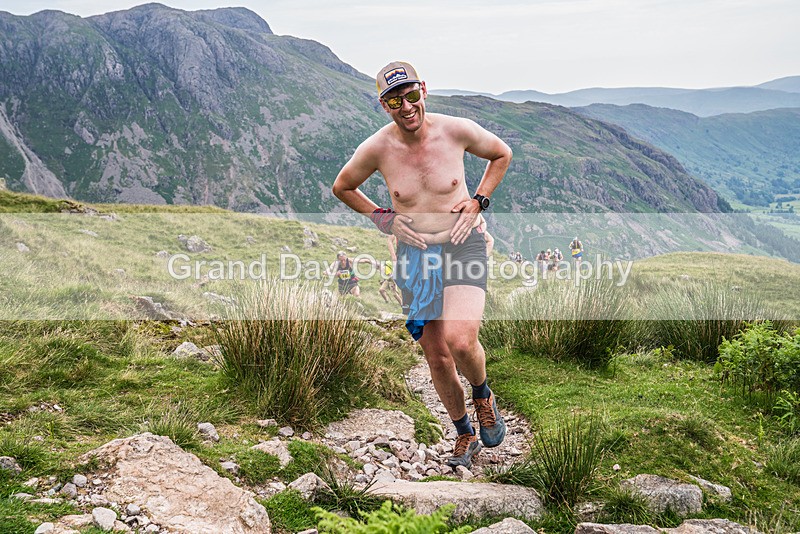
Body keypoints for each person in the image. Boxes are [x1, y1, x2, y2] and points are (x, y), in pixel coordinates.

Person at [332, 61, 511, 468]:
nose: (406, 106)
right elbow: (343, 186)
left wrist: (478, 200)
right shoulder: (377, 148)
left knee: (461, 341)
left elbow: (501, 154)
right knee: (436, 354)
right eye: (395, 100)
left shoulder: (456, 130)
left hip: (463, 244)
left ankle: (483, 395)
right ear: (384, 105)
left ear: (424, 90)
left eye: (411, 95)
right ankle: (464, 433)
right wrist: (385, 219)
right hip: (415, 260)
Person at [380, 235, 403, 306]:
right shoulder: (384, 265)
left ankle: (402, 304)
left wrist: (393, 282)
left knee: (394, 294)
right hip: (387, 279)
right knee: (381, 290)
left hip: (392, 279)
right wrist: (383, 280)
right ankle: (386, 300)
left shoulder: (390, 264)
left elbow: (392, 273)